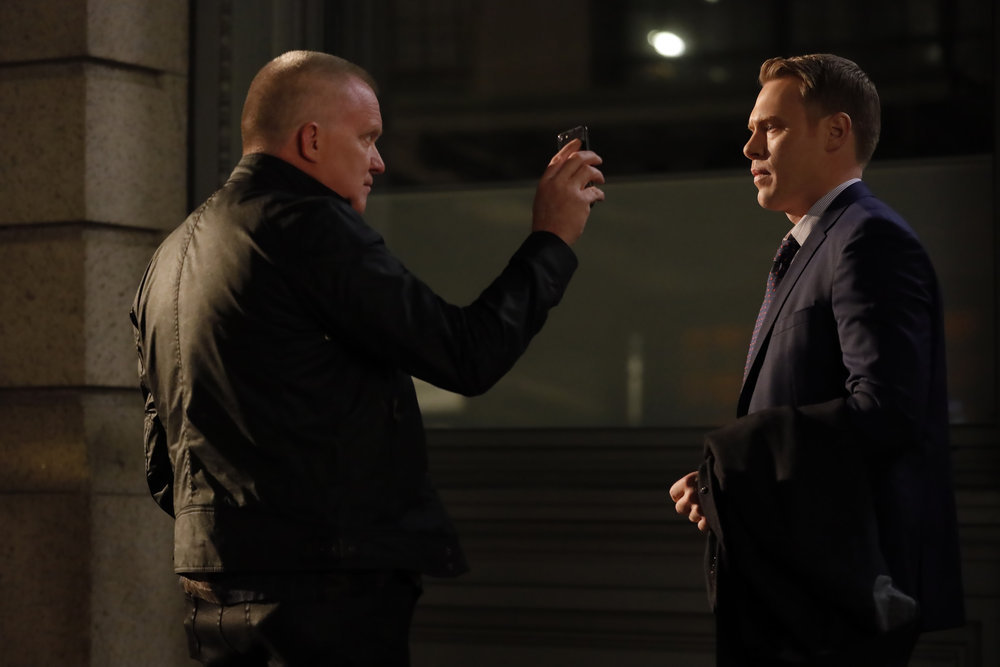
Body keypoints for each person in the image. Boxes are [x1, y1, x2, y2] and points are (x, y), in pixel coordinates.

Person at [130, 50, 604, 666]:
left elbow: (161, 463)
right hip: (321, 585)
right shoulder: (306, 225)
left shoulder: (169, 257)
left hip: (213, 586)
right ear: (311, 140)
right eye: (367, 138)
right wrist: (551, 239)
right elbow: (466, 354)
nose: (378, 161)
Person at [669, 54, 964, 666]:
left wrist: (735, 464)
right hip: (806, 594)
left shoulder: (868, 238)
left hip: (840, 601)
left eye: (771, 127)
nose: (750, 147)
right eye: (752, 129)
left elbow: (886, 411)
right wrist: (723, 486)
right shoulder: (823, 244)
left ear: (835, 132)